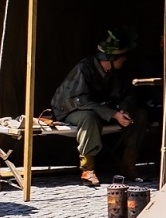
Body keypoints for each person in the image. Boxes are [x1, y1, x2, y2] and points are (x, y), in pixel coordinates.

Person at [51, 30, 148, 186]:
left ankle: (128, 164)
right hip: (71, 110)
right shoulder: (84, 68)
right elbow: (81, 102)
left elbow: (129, 95)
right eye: (121, 56)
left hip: (104, 111)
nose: (125, 59)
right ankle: (87, 169)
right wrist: (114, 114)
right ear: (110, 59)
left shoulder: (118, 72)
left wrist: (124, 110)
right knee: (88, 117)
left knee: (140, 115)